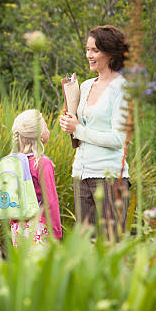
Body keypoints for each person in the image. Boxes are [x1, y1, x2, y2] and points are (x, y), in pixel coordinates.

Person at [60, 25, 130, 239]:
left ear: (110, 53)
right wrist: (68, 122)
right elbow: (82, 127)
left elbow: (118, 139)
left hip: (110, 178)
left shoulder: (122, 88)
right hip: (81, 173)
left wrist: (79, 130)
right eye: (87, 49)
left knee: (112, 246)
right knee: (85, 248)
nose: (89, 55)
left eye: (95, 50)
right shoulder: (86, 85)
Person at [9, 110, 62, 247]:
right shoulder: (42, 163)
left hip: (17, 227)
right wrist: (56, 233)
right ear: (39, 135)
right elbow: (51, 201)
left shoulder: (12, 162)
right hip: (39, 228)